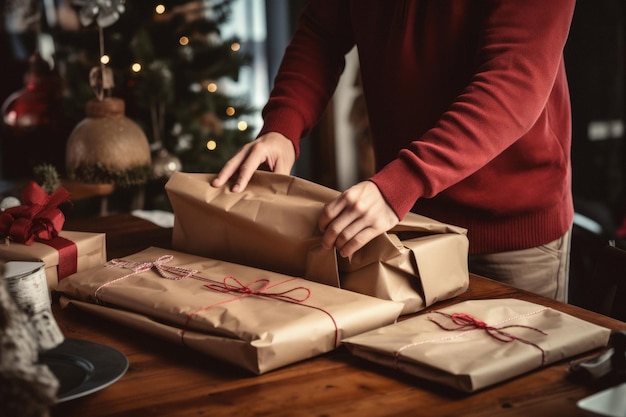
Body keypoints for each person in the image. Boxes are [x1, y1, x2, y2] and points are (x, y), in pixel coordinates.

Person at [212, 1, 576, 302]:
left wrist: (402, 182)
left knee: (524, 386)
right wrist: (282, 128)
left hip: (510, 233)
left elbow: (513, 81)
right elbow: (322, 33)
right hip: (408, 224)